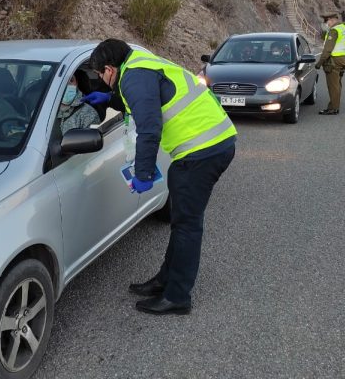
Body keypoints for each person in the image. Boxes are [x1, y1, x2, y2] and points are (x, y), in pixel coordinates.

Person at [83, 39, 237, 316]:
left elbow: (150, 129)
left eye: (99, 76)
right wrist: (110, 99)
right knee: (181, 221)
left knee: (187, 225)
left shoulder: (133, 76)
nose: (100, 81)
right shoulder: (140, 64)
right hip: (210, 144)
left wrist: (142, 174)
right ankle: (165, 280)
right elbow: (147, 97)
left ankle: (178, 296)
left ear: (109, 68)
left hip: (203, 151)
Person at [315, 10, 345, 115]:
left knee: (333, 86)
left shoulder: (334, 31)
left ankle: (333, 108)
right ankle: (335, 106)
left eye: (327, 22)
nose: (326, 24)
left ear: (331, 20)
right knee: (338, 84)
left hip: (334, 61)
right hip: (343, 59)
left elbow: (327, 50)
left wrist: (319, 63)